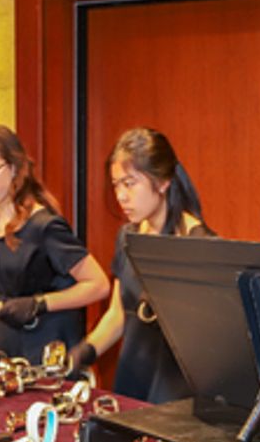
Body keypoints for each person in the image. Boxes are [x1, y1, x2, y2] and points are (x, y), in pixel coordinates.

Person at [0, 125, 109, 362]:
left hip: (40, 346)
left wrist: (40, 304)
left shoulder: (45, 227)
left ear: (14, 168)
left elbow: (98, 284)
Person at [69, 128, 214, 402]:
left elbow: (207, 342)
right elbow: (118, 314)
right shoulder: (128, 236)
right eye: (116, 184)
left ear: (162, 182)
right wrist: (85, 351)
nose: (121, 196)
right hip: (134, 375)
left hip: (176, 389)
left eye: (130, 183)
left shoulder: (200, 244)